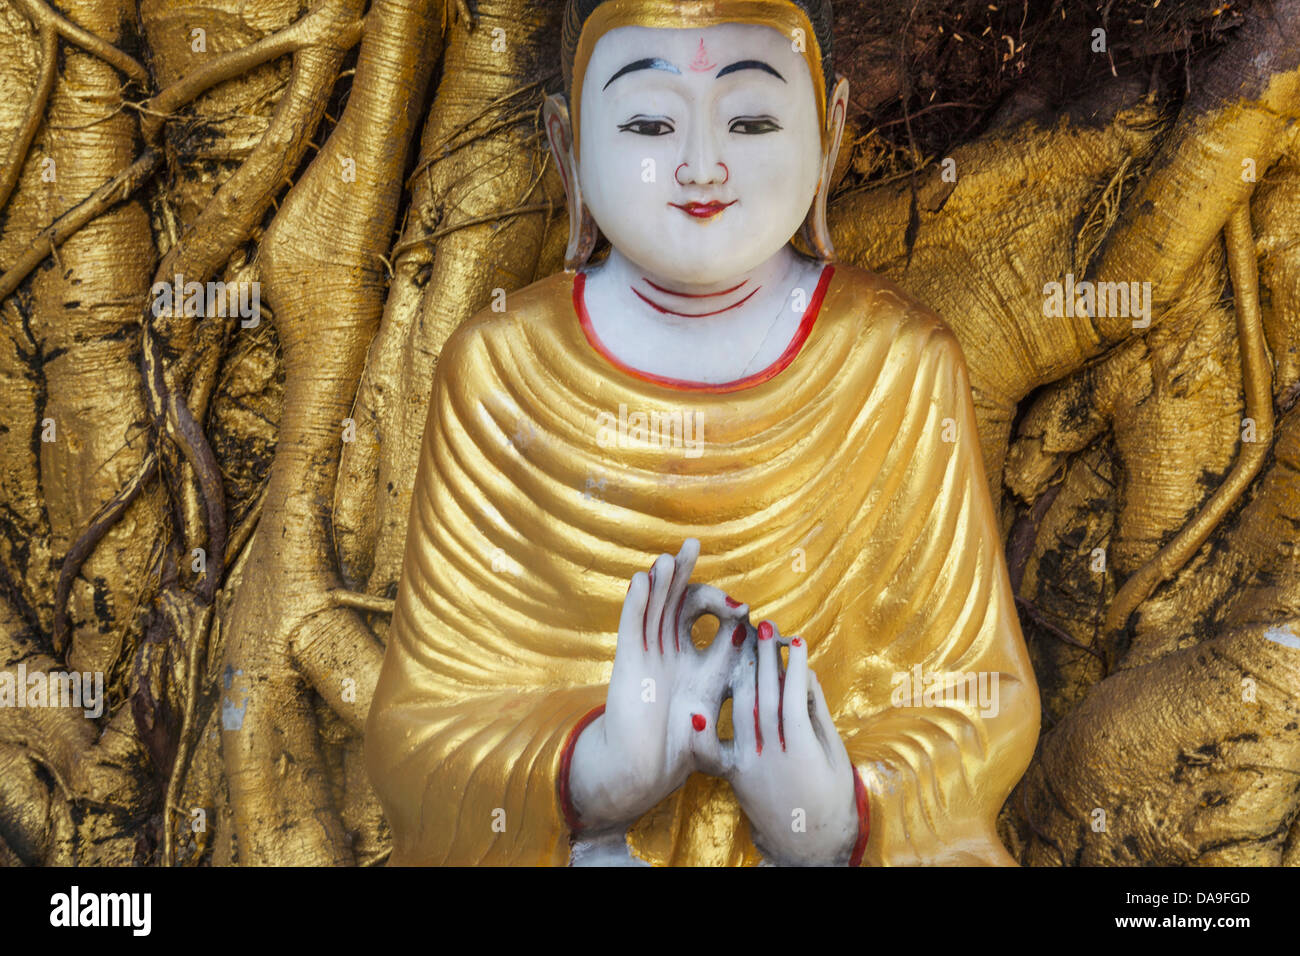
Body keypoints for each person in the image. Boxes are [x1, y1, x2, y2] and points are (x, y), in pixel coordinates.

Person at [364, 0, 1040, 866]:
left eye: (753, 120)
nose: (702, 166)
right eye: (648, 123)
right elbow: (420, 728)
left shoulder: (897, 361)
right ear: (568, 145)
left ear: (829, 133)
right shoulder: (501, 369)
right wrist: (593, 773)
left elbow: (979, 699)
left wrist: (841, 811)